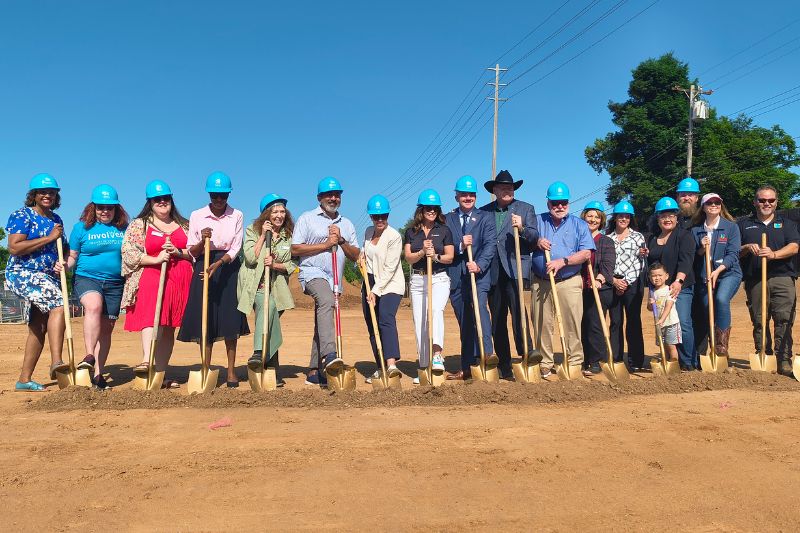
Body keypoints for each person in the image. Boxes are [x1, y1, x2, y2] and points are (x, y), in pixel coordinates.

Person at [178, 171, 250, 388]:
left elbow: (237, 246)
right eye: (215, 195)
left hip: (227, 266)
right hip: (203, 263)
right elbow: (192, 250)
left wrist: (219, 264)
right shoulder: (197, 215)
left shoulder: (236, 214)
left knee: (230, 318)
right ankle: (205, 367)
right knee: (205, 317)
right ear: (209, 194)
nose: (219, 200)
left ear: (228, 195)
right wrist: (202, 239)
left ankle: (230, 371)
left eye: (223, 196)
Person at [122, 180, 192, 386]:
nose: (162, 202)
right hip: (151, 276)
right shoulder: (140, 224)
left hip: (179, 280)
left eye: (165, 198)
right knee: (152, 318)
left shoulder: (184, 225)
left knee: (169, 326)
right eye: (157, 199)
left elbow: (195, 251)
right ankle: (147, 361)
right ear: (150, 202)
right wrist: (155, 258)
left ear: (171, 200)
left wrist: (178, 252)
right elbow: (128, 251)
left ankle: (160, 373)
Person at [291, 177, 360, 386]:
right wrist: (325, 244)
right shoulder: (307, 218)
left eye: (337, 194)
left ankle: (314, 371)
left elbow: (355, 255)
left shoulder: (346, 224)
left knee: (324, 318)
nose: (333, 198)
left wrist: (341, 241)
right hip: (311, 272)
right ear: (319, 197)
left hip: (335, 278)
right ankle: (330, 354)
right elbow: (295, 249)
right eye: (329, 194)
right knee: (326, 301)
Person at [5, 174, 69, 391]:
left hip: (47, 277)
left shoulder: (56, 220)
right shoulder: (22, 215)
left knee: (39, 325)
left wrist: (63, 263)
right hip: (23, 273)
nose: (47, 195)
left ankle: (24, 380)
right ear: (33, 195)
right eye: (42, 192)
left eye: (51, 192)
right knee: (59, 305)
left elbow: (65, 249)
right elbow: (14, 247)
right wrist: (49, 238)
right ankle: (57, 362)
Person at [61, 184, 128, 390]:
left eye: (110, 207)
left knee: (106, 330)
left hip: (116, 282)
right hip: (87, 277)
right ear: (93, 207)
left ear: (117, 208)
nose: (105, 211)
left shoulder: (124, 228)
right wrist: (64, 265)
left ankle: (98, 375)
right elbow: (73, 256)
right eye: (101, 207)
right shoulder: (81, 228)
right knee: (94, 306)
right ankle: (89, 355)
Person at [479, 170, 538, 380]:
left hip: (515, 268)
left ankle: (527, 356)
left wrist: (521, 228)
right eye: (503, 187)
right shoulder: (483, 212)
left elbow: (533, 239)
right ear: (494, 190)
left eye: (511, 187)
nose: (508, 190)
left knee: (519, 315)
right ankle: (504, 365)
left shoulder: (525, 209)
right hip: (492, 270)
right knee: (498, 319)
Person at [530, 181, 593, 377]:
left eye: (563, 202)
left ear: (568, 203)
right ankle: (545, 362)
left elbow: (586, 253)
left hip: (569, 280)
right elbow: (525, 236)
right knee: (541, 323)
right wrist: (537, 240)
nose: (559, 206)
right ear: (548, 203)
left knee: (572, 322)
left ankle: (573, 360)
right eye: (555, 202)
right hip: (541, 281)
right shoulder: (537, 221)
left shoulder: (579, 225)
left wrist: (563, 262)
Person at [738, 185, 799, 375]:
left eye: (770, 200)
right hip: (755, 279)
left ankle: (784, 359)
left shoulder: (787, 224)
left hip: (782, 278)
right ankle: (764, 353)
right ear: (755, 202)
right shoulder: (744, 224)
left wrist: (773, 254)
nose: (766, 203)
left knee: (784, 319)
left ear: (776, 202)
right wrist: (747, 247)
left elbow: (794, 246)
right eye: (762, 200)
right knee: (759, 319)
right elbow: (735, 251)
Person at [444, 175, 497, 380]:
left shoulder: (485, 217)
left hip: (479, 275)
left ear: (475, 196)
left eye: (471, 194)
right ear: (456, 196)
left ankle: (487, 356)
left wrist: (479, 264)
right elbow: (445, 244)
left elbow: (490, 244)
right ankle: (467, 366)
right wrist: (459, 245)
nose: (467, 198)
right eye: (463, 194)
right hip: (457, 276)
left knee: (480, 312)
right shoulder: (447, 219)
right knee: (464, 321)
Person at [238, 193, 291, 384]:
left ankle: (267, 364)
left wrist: (277, 265)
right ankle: (260, 354)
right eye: (275, 211)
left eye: (282, 211)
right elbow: (251, 258)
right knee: (268, 310)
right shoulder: (252, 230)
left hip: (277, 288)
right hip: (255, 285)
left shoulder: (288, 235)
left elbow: (293, 263)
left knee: (271, 316)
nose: (279, 215)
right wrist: (262, 235)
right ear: (266, 214)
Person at [404, 189, 455, 384]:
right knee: (420, 322)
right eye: (428, 208)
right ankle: (424, 366)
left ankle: (437, 355)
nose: (431, 211)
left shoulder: (444, 230)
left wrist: (434, 256)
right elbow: (408, 257)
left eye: (434, 208)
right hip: (418, 280)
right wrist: (421, 252)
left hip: (439, 278)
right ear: (421, 210)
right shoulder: (411, 232)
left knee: (435, 312)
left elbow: (450, 257)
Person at [642, 197, 697, 371]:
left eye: (671, 215)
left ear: (677, 217)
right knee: (664, 324)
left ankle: (688, 362)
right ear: (657, 218)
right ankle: (672, 360)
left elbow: (686, 260)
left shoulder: (684, 235)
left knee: (682, 322)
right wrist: (645, 253)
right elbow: (652, 264)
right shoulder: (652, 238)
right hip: (660, 290)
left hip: (680, 287)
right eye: (663, 216)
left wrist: (678, 281)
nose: (667, 219)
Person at [689, 193, 742, 358]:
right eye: (709, 203)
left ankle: (721, 348)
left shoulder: (731, 227)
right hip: (705, 275)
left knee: (720, 299)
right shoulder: (696, 230)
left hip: (728, 273)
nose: (714, 205)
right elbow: (693, 256)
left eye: (717, 202)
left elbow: (734, 254)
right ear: (703, 207)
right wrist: (701, 249)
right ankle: (711, 348)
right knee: (707, 309)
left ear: (721, 205)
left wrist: (718, 270)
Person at [360, 195, 404, 383]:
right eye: (376, 216)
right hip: (369, 281)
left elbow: (390, 267)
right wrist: (361, 256)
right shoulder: (368, 232)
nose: (379, 220)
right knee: (372, 323)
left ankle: (392, 364)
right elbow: (367, 256)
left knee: (385, 317)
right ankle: (380, 367)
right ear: (370, 216)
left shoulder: (394, 236)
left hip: (391, 283)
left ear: (388, 215)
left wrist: (376, 291)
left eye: (383, 216)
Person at [607, 201, 646, 371]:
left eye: (627, 216)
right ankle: (616, 358)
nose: (623, 219)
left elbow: (640, 263)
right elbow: (606, 263)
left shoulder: (638, 237)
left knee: (633, 321)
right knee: (615, 322)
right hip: (613, 283)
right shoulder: (607, 238)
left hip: (632, 284)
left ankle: (635, 360)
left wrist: (626, 282)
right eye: (620, 216)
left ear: (631, 218)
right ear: (614, 218)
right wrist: (615, 281)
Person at [580, 201, 615, 376]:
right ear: (584, 217)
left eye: (596, 217)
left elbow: (608, 267)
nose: (593, 219)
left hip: (599, 289)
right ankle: (584, 359)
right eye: (589, 216)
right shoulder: (578, 239)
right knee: (581, 324)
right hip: (580, 289)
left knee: (594, 324)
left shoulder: (606, 241)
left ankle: (595, 361)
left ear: (601, 220)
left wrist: (599, 280)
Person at [649, 262, 680, 365]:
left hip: (670, 323)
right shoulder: (652, 292)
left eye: (659, 275)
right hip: (660, 325)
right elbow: (650, 308)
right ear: (650, 277)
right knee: (663, 346)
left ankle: (674, 364)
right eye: (653, 276)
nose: (656, 278)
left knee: (671, 346)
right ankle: (665, 363)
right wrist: (650, 303)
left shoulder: (669, 290)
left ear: (666, 276)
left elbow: (668, 306)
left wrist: (661, 320)